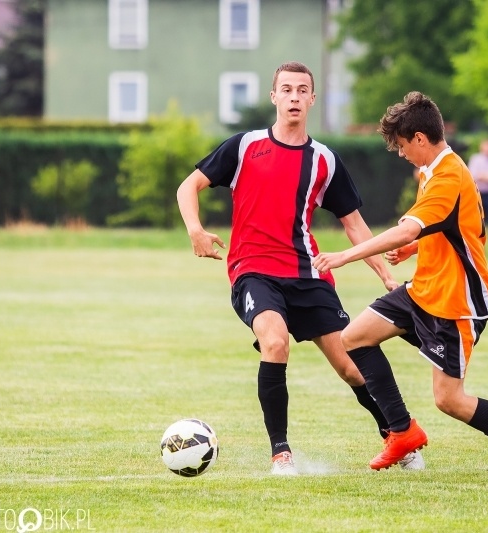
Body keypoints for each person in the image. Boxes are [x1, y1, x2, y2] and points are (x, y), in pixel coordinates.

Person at [176, 61, 424, 476]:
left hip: (309, 276)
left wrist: (383, 274)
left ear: (312, 99)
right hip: (254, 271)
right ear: (274, 96)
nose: (294, 97)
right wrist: (195, 229)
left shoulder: (324, 159)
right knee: (275, 343)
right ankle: (281, 454)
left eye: (302, 90)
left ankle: (398, 436)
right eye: (286, 89)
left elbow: (353, 224)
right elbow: (189, 186)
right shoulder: (244, 146)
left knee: (352, 365)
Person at [313, 91, 488, 484]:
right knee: (354, 337)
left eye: (402, 145)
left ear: (419, 137)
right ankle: (402, 431)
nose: (400, 154)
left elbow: (409, 228)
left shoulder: (448, 176)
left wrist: (345, 256)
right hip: (424, 290)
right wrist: (415, 248)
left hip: (456, 301)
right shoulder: (433, 169)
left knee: (449, 400)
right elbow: (459, 227)